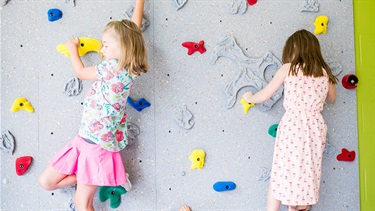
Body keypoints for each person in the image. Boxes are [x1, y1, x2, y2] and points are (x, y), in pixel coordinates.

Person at [38, 0, 149, 210]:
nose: (101, 49)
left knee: (82, 202)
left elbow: (80, 72)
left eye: (106, 45)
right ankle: (101, 175)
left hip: (98, 146)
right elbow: (134, 32)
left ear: (123, 47)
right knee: (46, 182)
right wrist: (139, 2)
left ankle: (101, 174)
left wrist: (72, 48)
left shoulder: (112, 67)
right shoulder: (129, 68)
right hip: (83, 138)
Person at [242, 29, 337, 211]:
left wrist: (249, 98)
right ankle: (297, 207)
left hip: (293, 125)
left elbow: (265, 95)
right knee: (308, 170)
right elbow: (332, 97)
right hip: (315, 126)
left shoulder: (289, 68)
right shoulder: (324, 72)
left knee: (281, 170)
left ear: (293, 49)